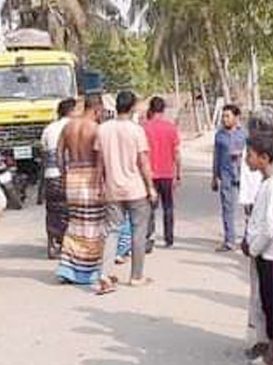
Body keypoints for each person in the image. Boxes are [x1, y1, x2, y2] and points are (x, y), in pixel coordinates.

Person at [97, 90, 157, 292]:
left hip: (113, 189)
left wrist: (99, 185)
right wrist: (151, 187)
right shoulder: (136, 130)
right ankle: (136, 276)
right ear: (132, 107)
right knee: (138, 232)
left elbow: (100, 163)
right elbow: (143, 162)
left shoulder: (103, 130)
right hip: (135, 189)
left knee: (111, 232)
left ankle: (105, 275)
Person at [242, 132, 273, 365]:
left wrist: (253, 247)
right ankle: (270, 353)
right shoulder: (266, 183)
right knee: (266, 305)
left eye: (250, 154)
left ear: (264, 157)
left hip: (270, 255)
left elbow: (270, 225)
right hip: (262, 254)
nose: (247, 159)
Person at [55, 96, 107, 286]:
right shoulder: (95, 129)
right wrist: (101, 181)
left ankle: (69, 267)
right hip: (90, 176)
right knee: (92, 225)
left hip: (73, 175)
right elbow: (100, 158)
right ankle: (88, 271)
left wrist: (63, 174)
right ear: (97, 109)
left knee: (75, 222)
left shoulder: (68, 127)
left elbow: (59, 153)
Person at [41, 98, 78, 259]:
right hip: (70, 175)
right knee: (71, 212)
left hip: (51, 176)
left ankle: (52, 245)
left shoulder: (49, 129)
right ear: (72, 111)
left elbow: (43, 151)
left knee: (52, 211)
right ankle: (68, 246)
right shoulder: (75, 127)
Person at [143, 96, 181, 249]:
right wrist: (178, 173)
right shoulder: (171, 128)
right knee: (168, 206)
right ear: (163, 110)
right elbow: (176, 153)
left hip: (150, 174)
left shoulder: (144, 128)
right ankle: (169, 238)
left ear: (151, 110)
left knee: (149, 208)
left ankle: (149, 237)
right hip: (167, 174)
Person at [212, 104, 246, 252]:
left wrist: (240, 154)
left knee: (249, 208)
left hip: (244, 175)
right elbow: (216, 156)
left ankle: (249, 239)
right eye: (223, 116)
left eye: (228, 116)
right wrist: (214, 176)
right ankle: (229, 240)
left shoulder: (244, 134)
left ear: (236, 117)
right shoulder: (219, 135)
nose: (225, 119)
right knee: (227, 208)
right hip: (226, 175)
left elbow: (253, 153)